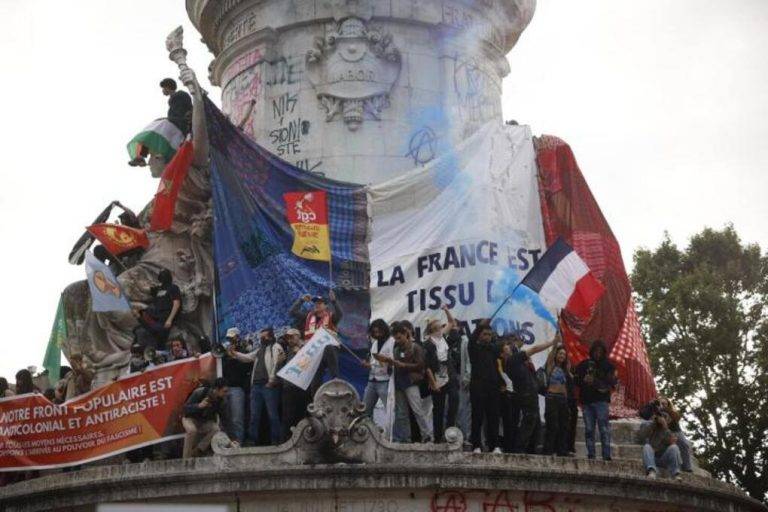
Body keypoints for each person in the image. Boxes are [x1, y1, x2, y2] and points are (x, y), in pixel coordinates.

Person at [228, 327, 285, 445]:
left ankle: (276, 440)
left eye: (264, 337)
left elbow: (277, 364)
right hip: (256, 386)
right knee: (254, 415)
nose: (262, 339)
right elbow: (248, 357)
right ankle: (252, 440)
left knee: (272, 414)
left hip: (269, 385)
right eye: (261, 337)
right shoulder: (260, 349)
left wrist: (272, 380)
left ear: (270, 336)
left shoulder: (276, 347)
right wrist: (235, 353)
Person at [377, 323, 433, 443]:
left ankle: (427, 436)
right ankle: (405, 438)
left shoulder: (415, 347)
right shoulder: (395, 350)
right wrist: (388, 364)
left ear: (405, 334)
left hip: (411, 382)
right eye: (395, 338)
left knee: (417, 410)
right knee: (401, 413)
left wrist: (404, 365)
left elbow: (421, 365)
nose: (397, 340)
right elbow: (392, 368)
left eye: (399, 338)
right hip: (398, 383)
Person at [505, 333, 556, 454]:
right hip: (526, 394)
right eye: (509, 344)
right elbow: (534, 349)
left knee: (535, 423)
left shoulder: (520, 362)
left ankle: (531, 449)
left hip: (531, 393)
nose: (513, 345)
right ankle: (519, 449)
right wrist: (552, 342)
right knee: (529, 420)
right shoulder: (513, 360)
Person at [574, 339, 616, 461]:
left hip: (601, 401)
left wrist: (595, 381)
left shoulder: (608, 366)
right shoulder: (583, 365)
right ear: (592, 351)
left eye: (600, 351)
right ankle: (591, 454)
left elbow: (611, 383)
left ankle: (606, 455)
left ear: (603, 352)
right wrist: (583, 380)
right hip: (587, 402)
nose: (597, 353)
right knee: (589, 429)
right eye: (596, 351)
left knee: (604, 428)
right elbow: (576, 380)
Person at [424, 306, 459, 443]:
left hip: (449, 373)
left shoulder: (442, 337)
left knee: (454, 400)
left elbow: (451, 322)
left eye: (440, 327)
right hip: (437, 376)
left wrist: (446, 310)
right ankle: (438, 437)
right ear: (432, 330)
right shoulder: (428, 344)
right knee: (438, 407)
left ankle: (450, 431)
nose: (441, 329)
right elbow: (427, 367)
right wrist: (433, 383)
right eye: (438, 328)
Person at [467, 320, 502, 453]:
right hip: (478, 387)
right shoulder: (474, 348)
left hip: (493, 387)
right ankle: (476, 445)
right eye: (485, 334)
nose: (487, 337)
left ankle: (494, 445)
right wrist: (481, 325)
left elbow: (500, 348)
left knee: (493, 416)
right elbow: (472, 338)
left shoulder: (493, 349)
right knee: (477, 416)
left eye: (489, 334)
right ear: (479, 335)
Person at [639, 396, 692, 473]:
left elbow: (675, 426)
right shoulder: (653, 409)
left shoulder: (672, 413)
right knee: (645, 426)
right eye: (661, 403)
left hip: (672, 431)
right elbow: (643, 415)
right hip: (655, 430)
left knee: (683, 444)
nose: (662, 405)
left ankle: (687, 467)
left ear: (668, 405)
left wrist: (665, 424)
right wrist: (650, 405)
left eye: (665, 404)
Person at [133, 269, 182, 351]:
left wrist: (170, 320)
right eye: (161, 275)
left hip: (166, 317)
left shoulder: (173, 288)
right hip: (155, 316)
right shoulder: (158, 289)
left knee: (158, 332)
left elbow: (176, 303)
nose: (163, 277)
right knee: (139, 327)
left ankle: (159, 350)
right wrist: (135, 280)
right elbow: (143, 289)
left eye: (164, 275)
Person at [182, 378, 229, 458]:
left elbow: (224, 419)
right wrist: (198, 406)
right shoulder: (200, 392)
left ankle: (198, 450)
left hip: (204, 421)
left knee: (216, 429)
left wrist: (231, 439)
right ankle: (186, 458)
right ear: (217, 389)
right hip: (190, 419)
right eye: (224, 391)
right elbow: (185, 409)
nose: (226, 394)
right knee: (192, 430)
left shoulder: (222, 401)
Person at [220, 327, 252, 446]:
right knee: (224, 418)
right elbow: (221, 369)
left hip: (237, 388)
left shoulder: (243, 351)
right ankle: (226, 443)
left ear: (238, 337)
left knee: (237, 418)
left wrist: (234, 357)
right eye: (229, 339)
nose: (230, 341)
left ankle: (238, 442)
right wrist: (227, 357)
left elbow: (246, 369)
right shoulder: (223, 352)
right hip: (223, 388)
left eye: (232, 338)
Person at [279, 328, 311, 441]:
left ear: (298, 336)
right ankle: (286, 441)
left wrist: (300, 353)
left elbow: (309, 365)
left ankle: (302, 439)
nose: (289, 340)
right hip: (288, 387)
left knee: (301, 415)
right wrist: (280, 361)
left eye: (291, 337)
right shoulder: (287, 350)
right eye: (288, 338)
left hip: (301, 386)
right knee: (287, 416)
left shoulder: (306, 347)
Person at [542, 345, 573, 456]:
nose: (562, 356)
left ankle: (561, 450)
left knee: (563, 426)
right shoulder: (551, 366)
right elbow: (550, 357)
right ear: (556, 355)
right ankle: (548, 450)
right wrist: (555, 343)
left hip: (562, 399)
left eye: (564, 354)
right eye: (560, 353)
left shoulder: (565, 370)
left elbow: (565, 387)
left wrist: (567, 401)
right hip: (552, 398)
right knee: (552, 425)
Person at [361, 319, 394, 421]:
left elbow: (393, 361)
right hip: (372, 380)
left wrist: (383, 361)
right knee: (365, 409)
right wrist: (368, 364)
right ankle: (368, 429)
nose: (377, 334)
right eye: (375, 332)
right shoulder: (375, 343)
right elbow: (373, 361)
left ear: (384, 330)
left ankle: (391, 430)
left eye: (379, 332)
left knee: (390, 409)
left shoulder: (392, 342)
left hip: (385, 380)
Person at [641, 410, 683, 480]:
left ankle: (675, 474)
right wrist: (653, 422)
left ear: (668, 420)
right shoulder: (652, 426)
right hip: (652, 458)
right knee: (647, 446)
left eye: (664, 417)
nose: (661, 418)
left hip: (665, 459)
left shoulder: (672, 430)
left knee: (674, 447)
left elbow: (673, 444)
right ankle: (652, 471)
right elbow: (644, 436)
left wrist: (665, 427)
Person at [497, 336, 519, 452]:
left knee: (512, 420)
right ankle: (502, 443)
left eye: (509, 349)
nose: (509, 350)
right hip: (502, 394)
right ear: (501, 353)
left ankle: (511, 445)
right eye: (506, 349)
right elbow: (500, 375)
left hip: (513, 394)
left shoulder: (513, 362)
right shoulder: (499, 362)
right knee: (503, 420)